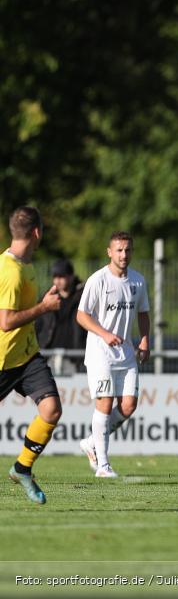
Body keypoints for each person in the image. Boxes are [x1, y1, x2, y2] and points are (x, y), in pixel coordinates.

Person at [0, 206, 63, 504]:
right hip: (3, 359)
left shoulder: (26, 265)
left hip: (27, 357)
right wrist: (44, 307)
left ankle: (22, 467)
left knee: (51, 409)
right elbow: (7, 321)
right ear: (37, 232)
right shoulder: (11, 272)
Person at [76, 231, 150, 478]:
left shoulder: (138, 281)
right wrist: (105, 334)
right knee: (105, 404)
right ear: (109, 252)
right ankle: (103, 466)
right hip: (101, 354)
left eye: (127, 250)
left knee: (128, 406)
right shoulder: (98, 280)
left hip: (126, 353)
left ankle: (91, 442)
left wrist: (145, 339)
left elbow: (143, 313)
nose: (123, 254)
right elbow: (82, 315)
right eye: (118, 250)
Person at [35, 258, 87, 373]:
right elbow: (38, 326)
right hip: (49, 356)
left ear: (71, 276)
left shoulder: (83, 297)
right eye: (55, 277)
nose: (57, 281)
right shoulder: (48, 298)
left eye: (61, 277)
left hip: (77, 358)